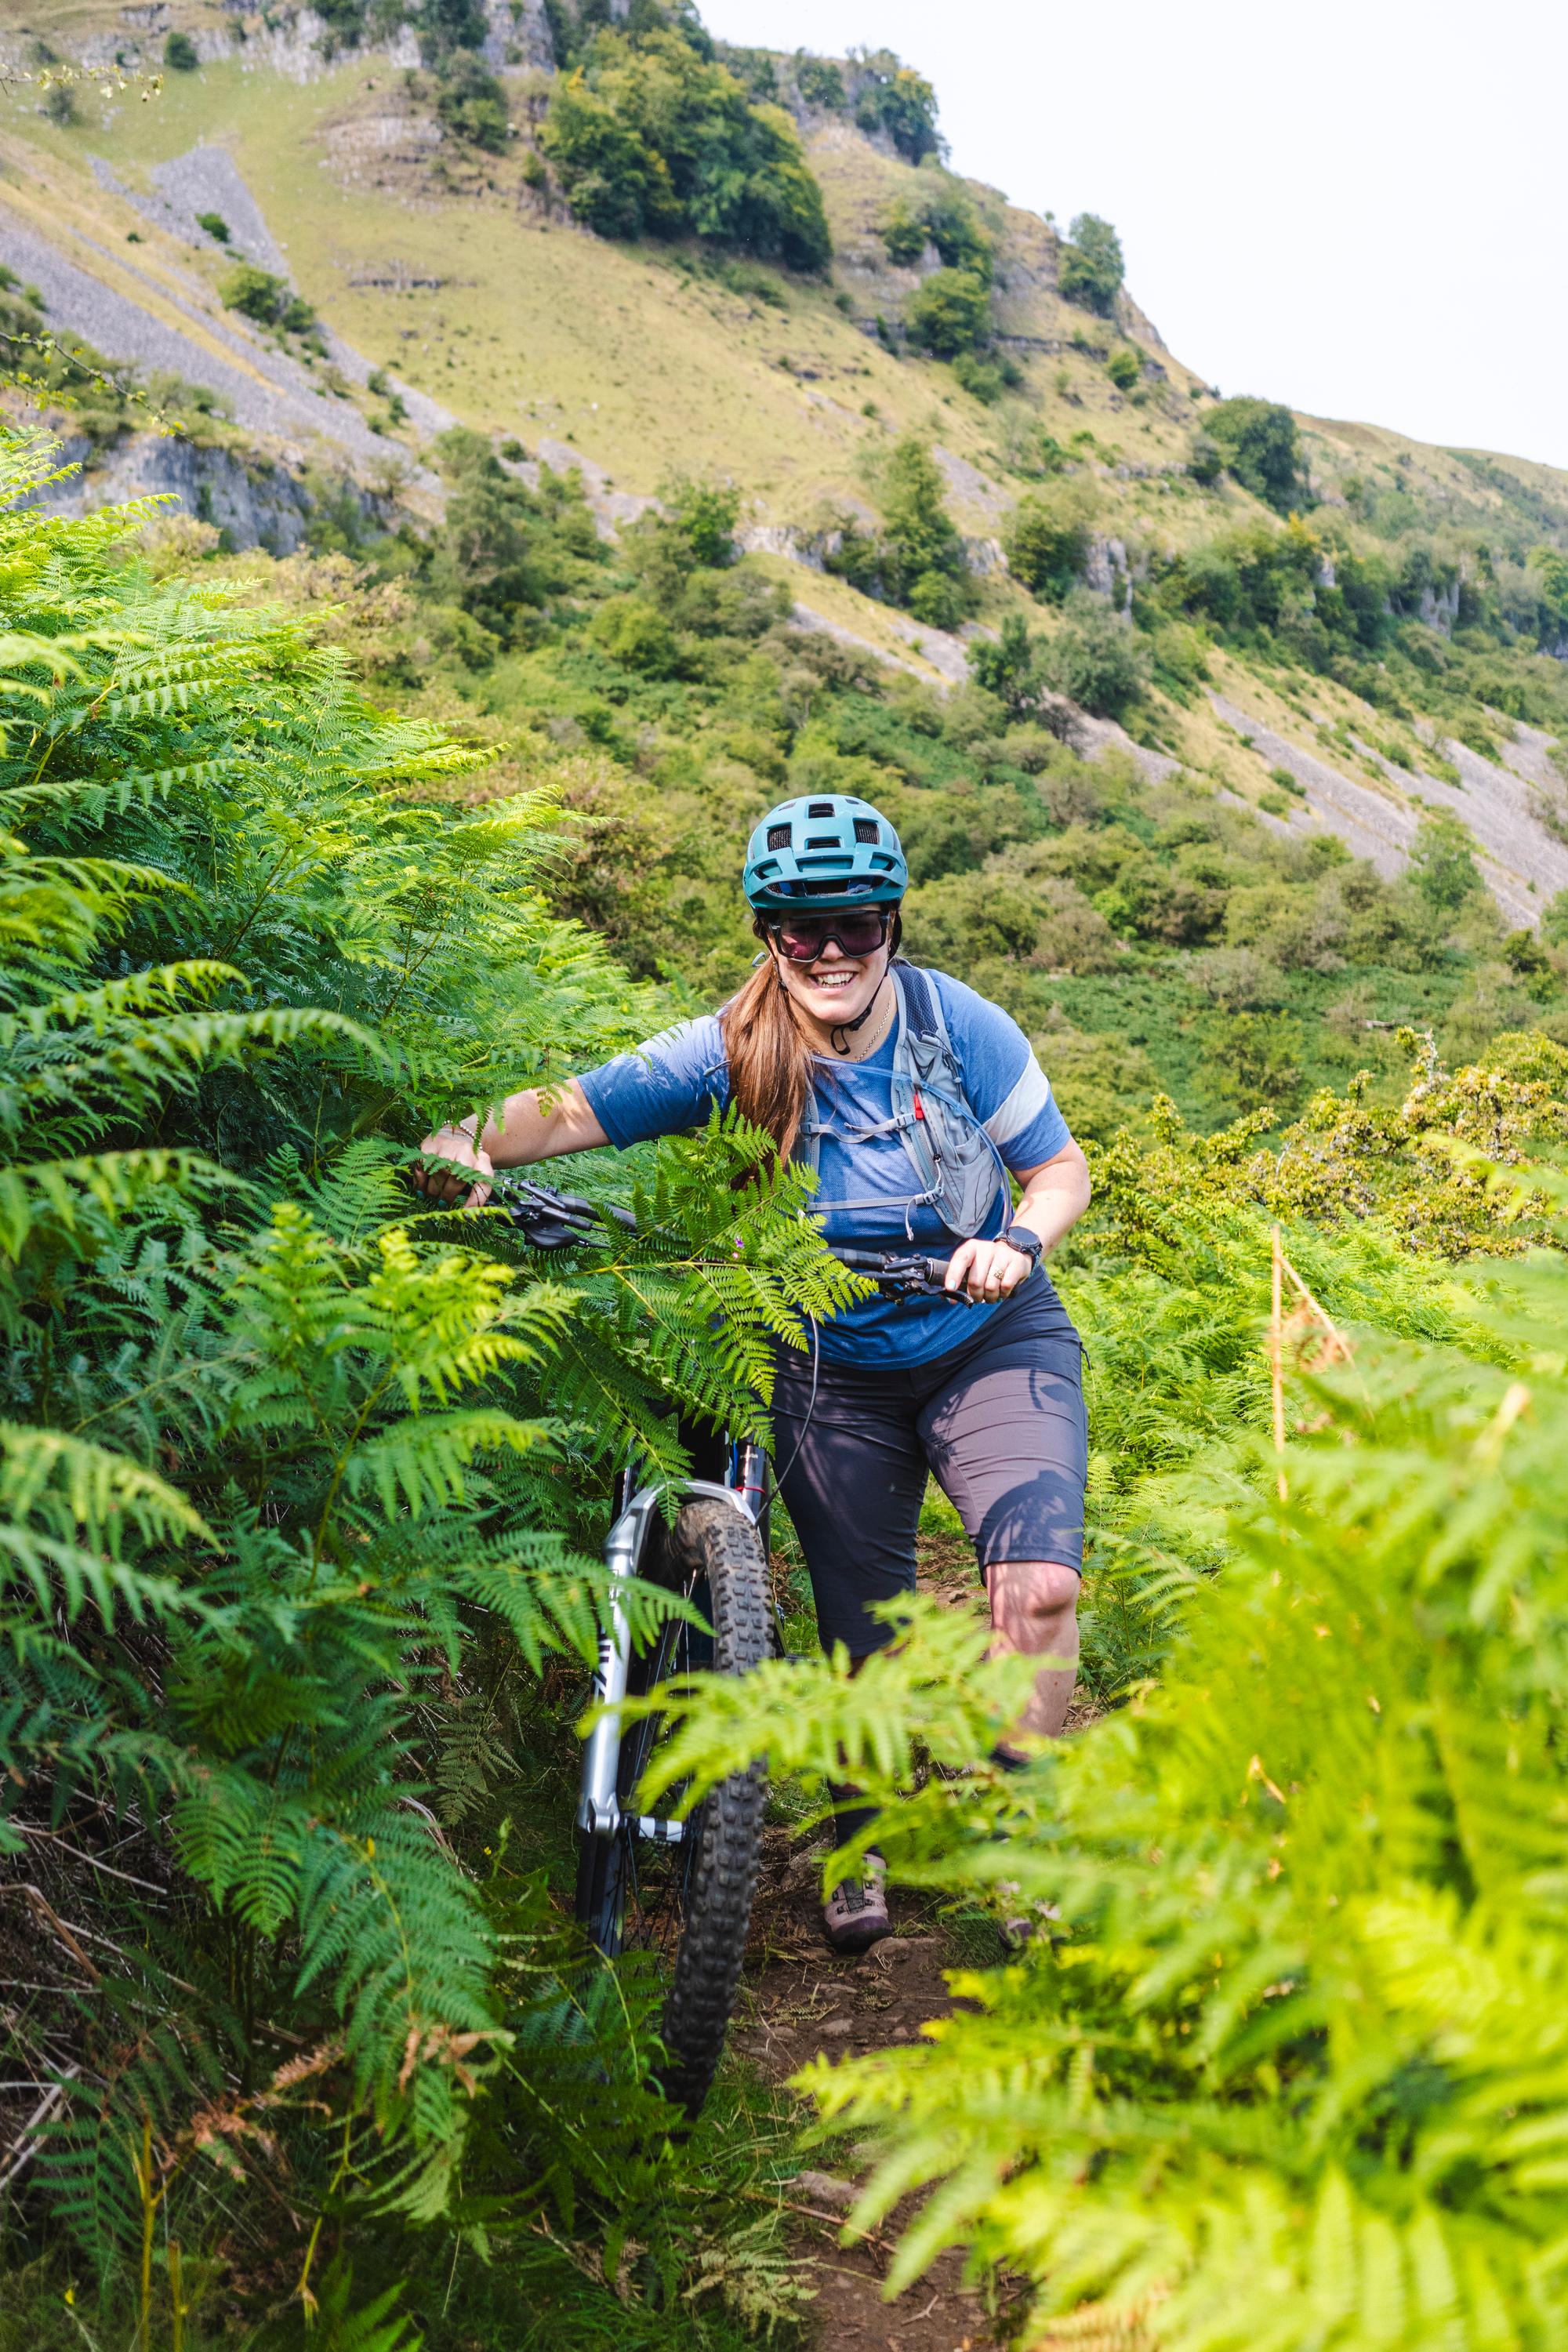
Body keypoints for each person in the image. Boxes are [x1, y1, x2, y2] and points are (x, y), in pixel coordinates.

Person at [416, 793, 1091, 1953]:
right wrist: (463, 1141)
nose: (829, 951)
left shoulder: (959, 1026)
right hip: (829, 1362)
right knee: (858, 1630)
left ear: (893, 923)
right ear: (765, 931)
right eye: (797, 928)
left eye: (856, 926)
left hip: (991, 1335)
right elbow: (568, 1113)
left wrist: (1014, 1242)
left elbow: (1060, 1170)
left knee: (1037, 1591)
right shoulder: (729, 1051)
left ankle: (1025, 1835)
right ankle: (862, 1833)